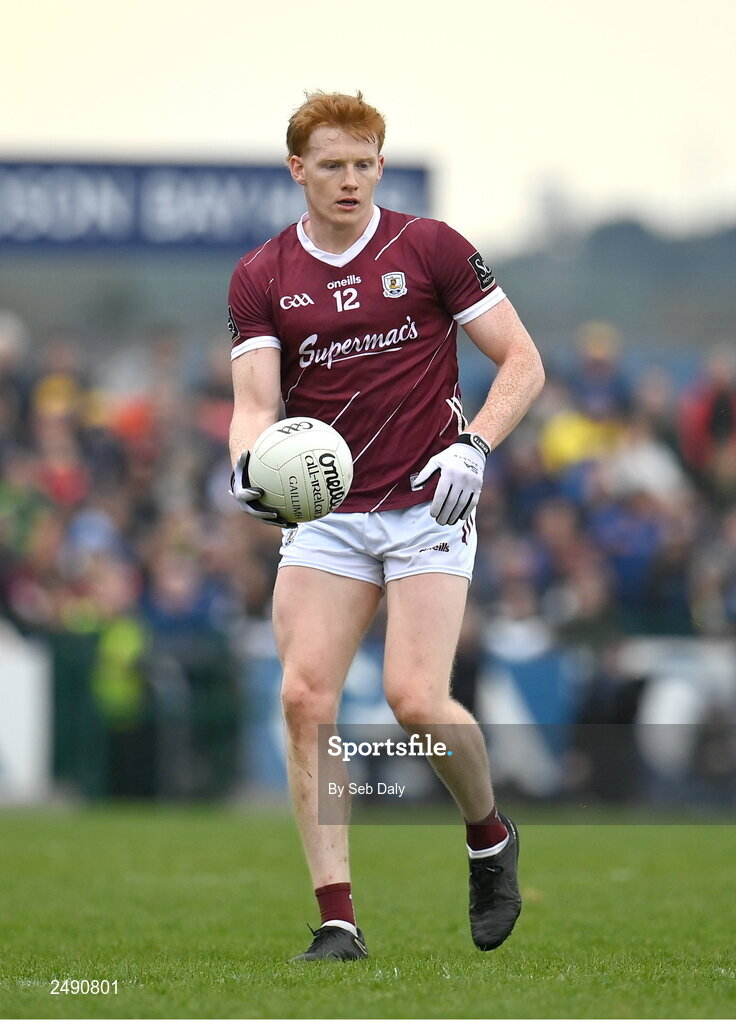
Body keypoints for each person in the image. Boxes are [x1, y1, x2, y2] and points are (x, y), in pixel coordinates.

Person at [227, 90, 545, 960]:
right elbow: (254, 406)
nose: (350, 180)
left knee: (414, 699)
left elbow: (523, 360)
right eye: (331, 164)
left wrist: (476, 445)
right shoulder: (262, 276)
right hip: (329, 515)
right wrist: (246, 465)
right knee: (302, 697)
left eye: (364, 163)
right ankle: (338, 919)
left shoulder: (430, 247)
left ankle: (489, 836)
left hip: (426, 501)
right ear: (298, 169)